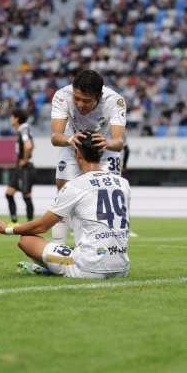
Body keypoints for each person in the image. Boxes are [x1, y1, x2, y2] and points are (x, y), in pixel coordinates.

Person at [0, 131, 130, 279]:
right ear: (102, 152)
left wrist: (7, 230)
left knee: (26, 240)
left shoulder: (75, 185)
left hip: (90, 267)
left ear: (78, 153)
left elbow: (42, 226)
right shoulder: (123, 183)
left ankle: (50, 269)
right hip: (122, 268)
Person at [50, 70, 126, 245]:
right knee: (63, 196)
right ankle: (58, 249)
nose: (80, 104)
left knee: (105, 199)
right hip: (71, 143)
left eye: (86, 100)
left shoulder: (115, 101)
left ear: (99, 95)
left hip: (104, 146)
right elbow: (55, 137)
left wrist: (106, 143)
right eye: (76, 98)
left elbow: (119, 142)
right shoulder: (62, 96)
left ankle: (106, 249)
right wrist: (71, 139)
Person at [6, 108, 36, 227]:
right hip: (21, 169)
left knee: (26, 195)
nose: (10, 119)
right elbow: (32, 145)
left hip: (26, 168)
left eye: (11, 116)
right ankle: (14, 221)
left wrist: (24, 159)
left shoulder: (23, 129)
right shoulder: (24, 129)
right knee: (9, 193)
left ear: (16, 118)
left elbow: (28, 146)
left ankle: (30, 224)